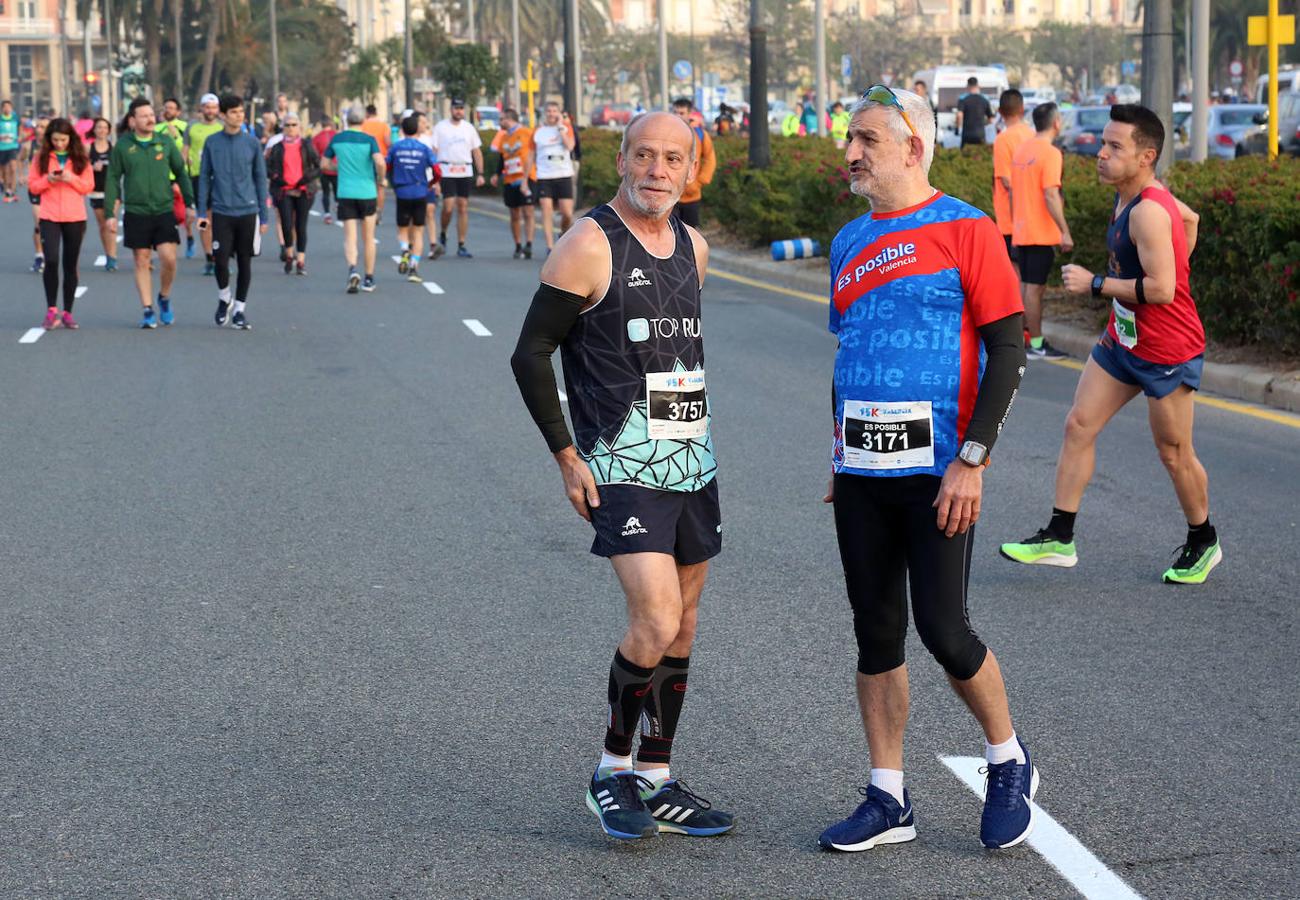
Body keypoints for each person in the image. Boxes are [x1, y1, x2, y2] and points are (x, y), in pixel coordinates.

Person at [816, 85, 1036, 854]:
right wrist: (838, 457)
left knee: (944, 630)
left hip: (943, 467)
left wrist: (973, 460)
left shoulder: (966, 228)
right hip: (863, 471)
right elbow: (851, 356)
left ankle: (1006, 759)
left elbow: (1009, 350)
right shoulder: (846, 242)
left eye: (867, 139)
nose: (851, 152)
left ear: (913, 146)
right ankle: (888, 798)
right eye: (851, 138)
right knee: (875, 632)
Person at [510, 111, 733, 842]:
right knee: (656, 618)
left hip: (688, 454)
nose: (657, 170)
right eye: (644, 155)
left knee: (686, 624)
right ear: (623, 158)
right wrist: (566, 455)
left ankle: (658, 777)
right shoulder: (588, 243)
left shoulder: (694, 248)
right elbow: (531, 352)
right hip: (618, 458)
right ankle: (612, 770)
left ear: (691, 167)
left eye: (673, 158)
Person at [1001, 104, 1219, 585]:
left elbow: (1162, 290)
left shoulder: (1147, 213)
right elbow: (1192, 220)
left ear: (1146, 156)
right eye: (1103, 143)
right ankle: (1060, 536)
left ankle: (1203, 539)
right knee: (1079, 423)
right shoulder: (1132, 196)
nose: (1100, 154)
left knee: (1174, 452)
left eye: (1114, 147)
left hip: (1167, 348)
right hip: (1123, 339)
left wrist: (1095, 283)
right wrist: (1176, 265)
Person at [104, 97, 193, 329]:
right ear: (133, 121)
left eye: (152, 114)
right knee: (141, 259)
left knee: (169, 258)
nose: (151, 118)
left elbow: (181, 173)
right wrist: (110, 212)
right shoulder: (124, 146)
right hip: (136, 211)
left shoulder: (164, 142)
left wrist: (190, 203)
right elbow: (113, 178)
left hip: (163, 209)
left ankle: (164, 297)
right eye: (144, 116)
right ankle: (147, 309)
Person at [197, 94, 270, 330]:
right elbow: (205, 179)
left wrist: (264, 215)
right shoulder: (212, 142)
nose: (239, 116)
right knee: (220, 259)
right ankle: (224, 296)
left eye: (241, 112)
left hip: (248, 210)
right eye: (234, 112)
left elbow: (260, 179)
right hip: (221, 210)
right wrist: (201, 212)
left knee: (245, 261)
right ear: (223, 115)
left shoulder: (251, 143)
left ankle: (239, 309)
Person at [1010, 102, 1071, 359]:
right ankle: (1036, 343)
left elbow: (1012, 193)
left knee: (1026, 287)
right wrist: (1065, 231)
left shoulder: (1022, 149)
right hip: (1040, 233)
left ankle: (1027, 339)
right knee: (1034, 290)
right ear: (1056, 122)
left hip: (1022, 230)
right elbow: (1050, 194)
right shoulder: (1050, 153)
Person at [29, 118, 94, 331]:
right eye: (55, 140)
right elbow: (33, 187)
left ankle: (68, 311)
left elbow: (87, 186)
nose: (59, 144)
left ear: (70, 138)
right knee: (52, 260)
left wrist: (70, 179)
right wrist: (48, 179)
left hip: (75, 217)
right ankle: (51, 309)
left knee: (70, 264)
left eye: (63, 140)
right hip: (49, 216)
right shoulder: (41, 158)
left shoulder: (80, 158)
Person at [325, 107, 385, 293]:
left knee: (350, 237)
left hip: (346, 192)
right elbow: (380, 162)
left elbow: (324, 163)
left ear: (347, 121)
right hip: (367, 192)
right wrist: (380, 178)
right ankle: (369, 278)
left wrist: (339, 170)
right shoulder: (369, 140)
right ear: (363, 121)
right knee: (368, 238)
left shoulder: (337, 139)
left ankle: (352, 270)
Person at [386, 114, 439, 283]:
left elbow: (387, 166)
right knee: (418, 230)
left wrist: (393, 180)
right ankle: (414, 268)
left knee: (402, 228)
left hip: (402, 192)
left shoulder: (395, 148)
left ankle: (403, 249)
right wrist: (431, 183)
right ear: (417, 129)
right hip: (420, 191)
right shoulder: (424, 149)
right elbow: (437, 170)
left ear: (402, 130)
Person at [266, 112, 319, 276]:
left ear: (300, 128)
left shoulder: (306, 145)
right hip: (284, 191)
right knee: (287, 225)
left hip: (303, 190)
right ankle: (289, 254)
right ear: (283, 128)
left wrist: (306, 179)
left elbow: (318, 166)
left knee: (301, 226)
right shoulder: (277, 147)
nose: (290, 128)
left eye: (294, 125)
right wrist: (276, 177)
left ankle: (301, 260)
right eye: (287, 125)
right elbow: (267, 167)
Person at [432, 98, 484, 258]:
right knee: (448, 207)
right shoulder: (441, 127)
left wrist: (480, 173)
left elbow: (476, 151)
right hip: (446, 170)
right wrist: (434, 178)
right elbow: (434, 151)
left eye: (461, 108)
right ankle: (443, 232)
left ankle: (461, 243)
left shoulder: (469, 128)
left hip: (464, 170)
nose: (459, 111)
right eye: (456, 108)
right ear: (451, 109)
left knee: (462, 206)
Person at [991, 89, 1033, 280]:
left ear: (1000, 111)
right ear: (1022, 109)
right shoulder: (1033, 135)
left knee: (1015, 269)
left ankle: (1020, 308)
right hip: (1033, 212)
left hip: (1010, 218)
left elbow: (1007, 181)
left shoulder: (1002, 140)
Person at [489, 107, 535, 259]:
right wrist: (496, 174)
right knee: (514, 213)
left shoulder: (526, 133)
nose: (500, 122)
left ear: (509, 119)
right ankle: (518, 245)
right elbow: (502, 158)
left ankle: (529, 244)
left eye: (501, 119)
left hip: (526, 178)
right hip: (510, 179)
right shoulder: (503, 137)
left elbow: (534, 152)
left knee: (528, 211)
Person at [532, 100, 576, 253]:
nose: (551, 114)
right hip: (545, 176)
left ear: (558, 113)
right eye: (548, 111)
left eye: (554, 111)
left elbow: (570, 146)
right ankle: (550, 246)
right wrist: (527, 177)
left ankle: (563, 234)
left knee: (567, 214)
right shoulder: (538, 131)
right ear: (545, 113)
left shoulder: (566, 128)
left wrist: (561, 129)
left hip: (563, 174)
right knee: (546, 209)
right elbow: (531, 154)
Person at [188, 93, 225, 274]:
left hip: (221, 179)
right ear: (201, 108)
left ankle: (221, 257)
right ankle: (209, 257)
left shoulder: (222, 128)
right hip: (199, 177)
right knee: (203, 218)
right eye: (207, 107)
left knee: (221, 220)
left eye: (213, 107)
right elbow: (184, 153)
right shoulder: (192, 128)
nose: (210, 111)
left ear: (218, 109)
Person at [155, 97, 194, 258]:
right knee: (167, 209)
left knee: (186, 210)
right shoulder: (157, 128)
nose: (168, 110)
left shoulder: (186, 128)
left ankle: (190, 235)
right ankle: (170, 238)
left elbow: (187, 150)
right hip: (163, 174)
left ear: (178, 111)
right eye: (166, 107)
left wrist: (176, 137)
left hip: (181, 173)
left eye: (171, 108)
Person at [670, 98, 715, 230]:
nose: (678, 116)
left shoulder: (700, 135)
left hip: (692, 195)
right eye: (675, 112)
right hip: (669, 195)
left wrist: (700, 181)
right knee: (670, 235)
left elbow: (710, 158)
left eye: (682, 113)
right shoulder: (665, 134)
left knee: (690, 235)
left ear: (690, 114)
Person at [87, 117, 118, 272]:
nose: (102, 130)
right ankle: (108, 254)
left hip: (112, 190)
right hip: (96, 190)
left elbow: (121, 167)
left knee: (110, 222)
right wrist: (92, 167)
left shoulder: (114, 148)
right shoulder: (88, 148)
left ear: (109, 130)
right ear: (94, 130)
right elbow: (80, 168)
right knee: (103, 226)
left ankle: (112, 258)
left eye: (105, 127)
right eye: (99, 127)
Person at [360, 103, 392, 222]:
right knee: (380, 187)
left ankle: (367, 212)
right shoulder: (383, 125)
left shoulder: (363, 125)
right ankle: (378, 212)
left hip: (365, 159)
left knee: (366, 186)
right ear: (376, 112)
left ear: (367, 113)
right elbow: (387, 142)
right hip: (381, 158)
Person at [27, 116, 48, 273]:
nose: (40, 129)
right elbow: (21, 159)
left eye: (43, 126)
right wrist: (21, 174)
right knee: (39, 223)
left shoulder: (56, 145)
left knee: (52, 226)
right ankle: (39, 256)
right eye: (38, 126)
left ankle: (51, 254)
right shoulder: (31, 144)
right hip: (35, 188)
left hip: (52, 189)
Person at [311, 117, 338, 224]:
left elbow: (314, 155)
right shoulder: (337, 136)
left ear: (322, 125)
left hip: (323, 168)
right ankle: (338, 206)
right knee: (337, 191)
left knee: (325, 192)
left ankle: (327, 215)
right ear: (331, 124)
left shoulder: (317, 138)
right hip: (336, 167)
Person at [955, 77, 994, 148]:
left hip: (967, 134)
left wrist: (958, 128)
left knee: (964, 156)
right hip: (980, 134)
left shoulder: (963, 99)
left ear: (968, 86)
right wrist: (983, 124)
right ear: (977, 85)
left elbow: (959, 115)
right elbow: (991, 120)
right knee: (981, 155)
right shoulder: (985, 99)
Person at [0, 99, 20, 202]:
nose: (7, 108)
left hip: (13, 146)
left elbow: (19, 129)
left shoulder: (15, 118)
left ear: (11, 108)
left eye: (9, 106)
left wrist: (18, 137)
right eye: (5, 106)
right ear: (2, 108)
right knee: (5, 171)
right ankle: (7, 189)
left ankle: (12, 191)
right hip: (2, 147)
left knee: (13, 168)